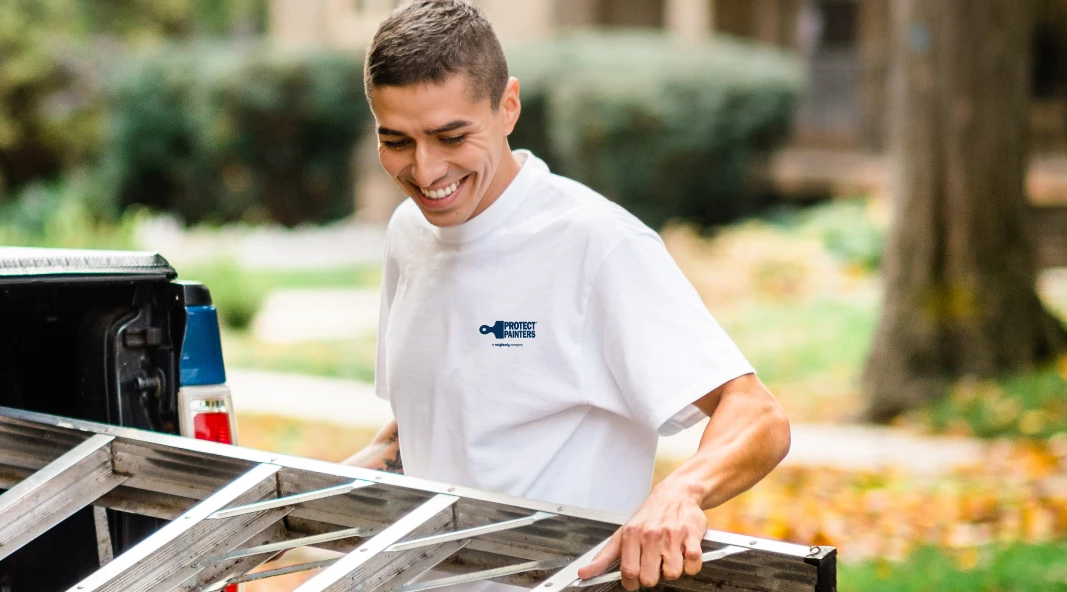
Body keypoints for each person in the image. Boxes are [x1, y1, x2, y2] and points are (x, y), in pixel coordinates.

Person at [337, 2, 793, 590]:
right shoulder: (408, 233)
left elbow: (757, 414)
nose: (425, 171)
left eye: (451, 137)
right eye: (397, 141)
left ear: (508, 106)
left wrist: (681, 491)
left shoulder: (597, 245)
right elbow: (425, 425)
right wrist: (298, 499)